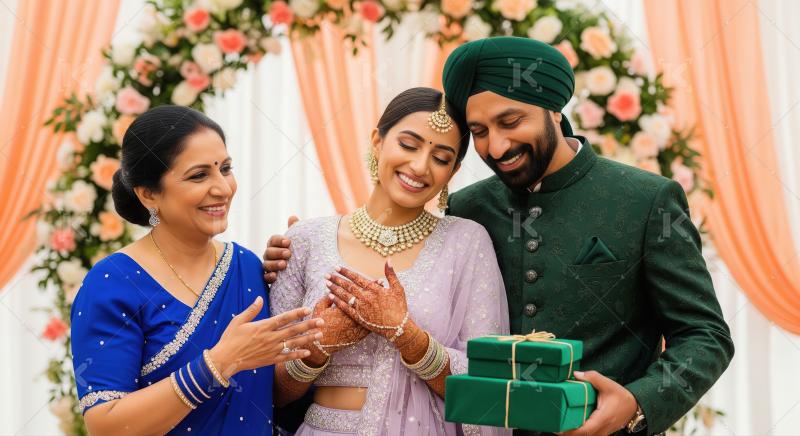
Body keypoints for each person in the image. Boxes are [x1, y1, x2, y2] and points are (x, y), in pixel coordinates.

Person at [265, 38, 734, 435]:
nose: (497, 146)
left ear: (554, 109)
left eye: (511, 122)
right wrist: (283, 259)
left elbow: (705, 335)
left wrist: (637, 403)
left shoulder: (644, 200)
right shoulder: (471, 207)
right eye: (479, 131)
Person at [268, 87, 510, 435]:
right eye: (408, 145)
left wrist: (407, 335)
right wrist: (317, 347)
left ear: (453, 172)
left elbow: (488, 383)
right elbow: (271, 391)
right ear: (378, 142)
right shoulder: (306, 239)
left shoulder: (466, 242)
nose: (419, 166)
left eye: (441, 158)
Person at [71, 105, 323, 435]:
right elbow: (107, 426)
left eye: (226, 168)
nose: (223, 188)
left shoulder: (246, 267)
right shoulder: (113, 283)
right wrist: (217, 364)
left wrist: (312, 345)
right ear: (149, 194)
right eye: (199, 175)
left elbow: (264, 398)